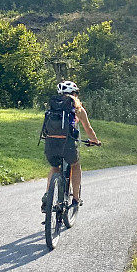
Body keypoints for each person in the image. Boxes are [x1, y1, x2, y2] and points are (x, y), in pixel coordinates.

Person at [41, 80, 100, 212]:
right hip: (68, 145)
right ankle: (76, 198)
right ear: (74, 94)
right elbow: (88, 128)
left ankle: (47, 196)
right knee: (75, 165)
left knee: (55, 168)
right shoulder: (78, 108)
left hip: (51, 143)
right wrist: (95, 140)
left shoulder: (52, 107)